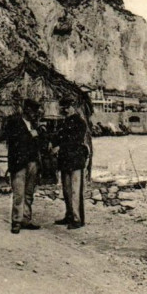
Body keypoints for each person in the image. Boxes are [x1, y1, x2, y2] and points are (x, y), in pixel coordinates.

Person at [5, 99, 44, 234]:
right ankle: (16, 221)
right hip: (19, 163)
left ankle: (26, 219)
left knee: (29, 193)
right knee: (19, 193)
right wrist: (31, 135)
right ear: (26, 110)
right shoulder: (14, 122)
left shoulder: (34, 125)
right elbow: (15, 141)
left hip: (32, 162)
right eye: (33, 111)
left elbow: (39, 142)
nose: (34, 114)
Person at [53, 97, 90, 230]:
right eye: (64, 108)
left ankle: (77, 219)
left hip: (75, 160)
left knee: (75, 191)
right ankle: (69, 215)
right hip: (65, 161)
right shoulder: (63, 123)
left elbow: (75, 141)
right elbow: (58, 137)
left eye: (68, 107)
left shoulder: (80, 123)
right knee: (67, 190)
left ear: (73, 107)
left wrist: (60, 146)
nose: (66, 110)